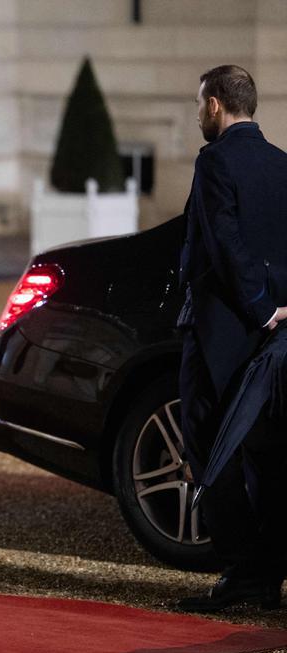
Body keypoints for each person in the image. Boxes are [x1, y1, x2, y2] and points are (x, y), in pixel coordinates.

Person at [176, 64, 287, 612]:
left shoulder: (215, 160)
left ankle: (245, 572)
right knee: (266, 453)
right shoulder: (282, 164)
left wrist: (261, 307)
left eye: (200, 103)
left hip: (223, 330)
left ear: (216, 104)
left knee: (208, 446)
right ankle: (268, 574)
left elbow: (223, 241)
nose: (198, 113)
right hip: (274, 335)